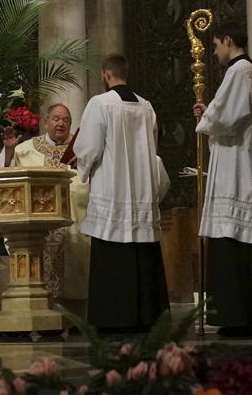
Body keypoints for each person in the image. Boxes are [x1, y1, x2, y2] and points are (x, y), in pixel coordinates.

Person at [74, 54, 170, 333]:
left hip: (113, 187)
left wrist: (83, 165)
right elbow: (152, 145)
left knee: (113, 251)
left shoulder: (99, 104)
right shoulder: (146, 106)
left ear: (106, 75)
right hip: (141, 187)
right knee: (142, 248)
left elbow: (89, 147)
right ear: (126, 73)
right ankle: (146, 315)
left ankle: (114, 316)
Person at [193, 22, 252, 337]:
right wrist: (210, 112)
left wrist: (206, 118)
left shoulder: (238, 71)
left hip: (236, 168)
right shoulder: (250, 72)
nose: (215, 53)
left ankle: (234, 317)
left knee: (231, 237)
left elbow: (228, 117)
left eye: (216, 46)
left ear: (228, 41)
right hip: (240, 159)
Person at [0, 103, 89, 312]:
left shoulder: (83, 149)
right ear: (46, 122)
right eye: (56, 119)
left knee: (78, 275)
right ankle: (44, 315)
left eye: (66, 120)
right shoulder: (25, 149)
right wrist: (9, 151)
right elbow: (11, 184)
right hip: (42, 229)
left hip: (77, 224)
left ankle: (77, 318)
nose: (61, 124)